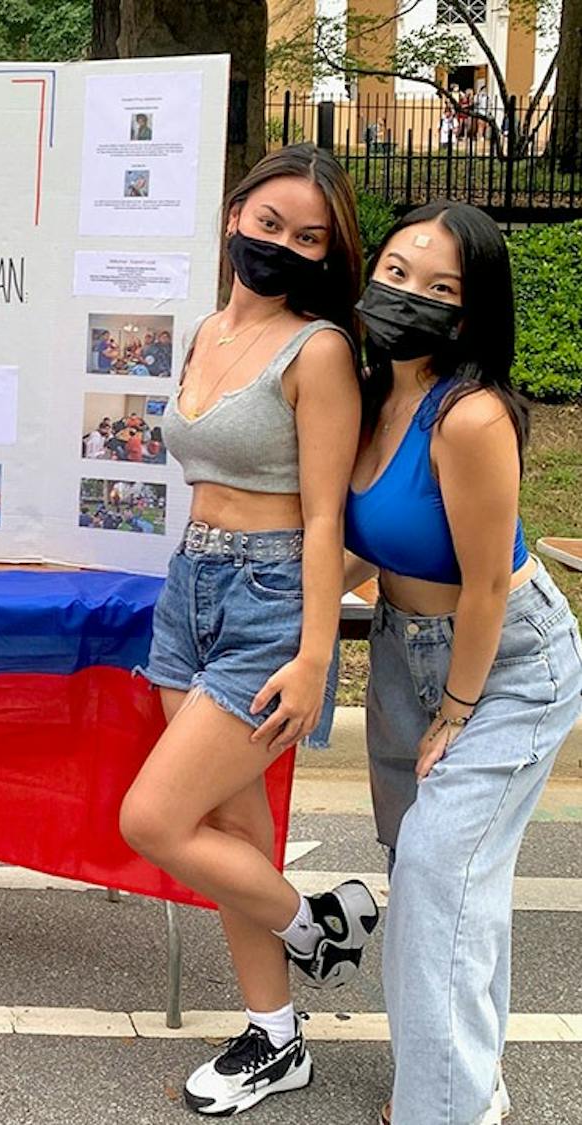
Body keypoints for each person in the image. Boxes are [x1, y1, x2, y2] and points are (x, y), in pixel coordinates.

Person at [118, 144, 376, 1116]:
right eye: (269, 224)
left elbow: (324, 518)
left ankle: (325, 926)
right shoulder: (203, 330)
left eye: (308, 238)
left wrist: (315, 655)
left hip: (270, 603)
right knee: (229, 827)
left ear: (326, 255)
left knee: (153, 819)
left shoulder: (319, 351)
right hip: (191, 590)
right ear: (234, 216)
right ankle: (278, 1038)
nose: (282, 246)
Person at [345, 202, 582, 1125]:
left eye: (442, 288)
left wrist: (455, 712)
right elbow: (378, 544)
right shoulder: (372, 394)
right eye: (398, 271)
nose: (409, 296)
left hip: (503, 663)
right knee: (440, 875)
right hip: (407, 653)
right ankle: (465, 1077)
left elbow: (485, 583)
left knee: (443, 874)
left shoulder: (471, 415)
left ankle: (444, 1107)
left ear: (473, 311)